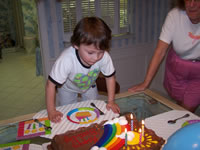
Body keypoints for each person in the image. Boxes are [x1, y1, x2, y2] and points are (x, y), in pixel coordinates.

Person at [128, 0, 200, 113]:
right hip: (177, 66)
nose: (191, 4)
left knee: (186, 111)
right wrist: (146, 83)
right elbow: (160, 51)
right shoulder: (175, 15)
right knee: (179, 105)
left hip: (198, 73)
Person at [46, 17, 120, 123]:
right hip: (67, 88)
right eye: (90, 53)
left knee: (94, 113)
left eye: (101, 52)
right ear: (76, 45)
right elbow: (50, 85)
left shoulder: (105, 56)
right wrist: (51, 110)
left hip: (89, 85)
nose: (96, 58)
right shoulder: (66, 60)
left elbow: (110, 78)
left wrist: (111, 101)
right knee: (68, 116)